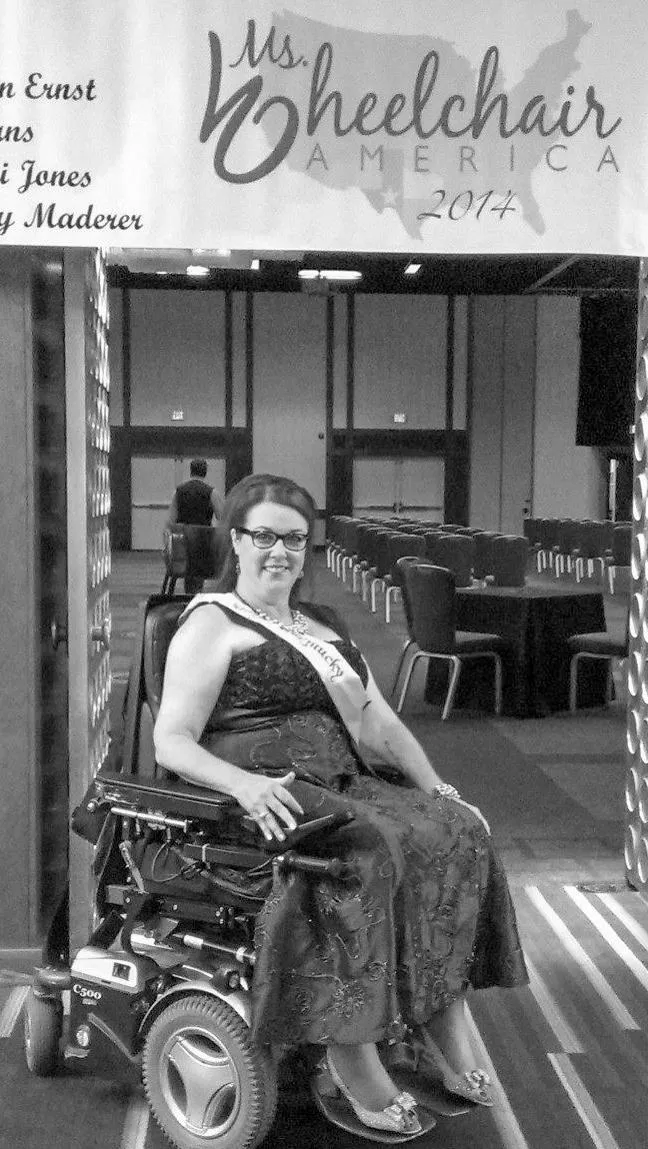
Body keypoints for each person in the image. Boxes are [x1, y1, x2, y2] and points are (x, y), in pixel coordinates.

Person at [153, 473, 528, 1137]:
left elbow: (378, 721)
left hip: (342, 776)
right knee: (371, 846)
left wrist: (438, 786)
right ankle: (348, 1045)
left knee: (455, 831)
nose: (280, 550)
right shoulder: (210, 623)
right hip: (265, 786)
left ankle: (441, 1008)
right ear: (236, 540)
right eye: (263, 534)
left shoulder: (321, 624)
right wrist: (242, 785)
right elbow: (173, 741)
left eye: (293, 538)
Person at [165, 458, 224, 594]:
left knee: (187, 573)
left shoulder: (178, 491)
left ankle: (189, 595)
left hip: (184, 540)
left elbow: (171, 520)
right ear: (205, 472)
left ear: (190, 471)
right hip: (203, 540)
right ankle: (196, 595)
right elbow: (221, 517)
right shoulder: (211, 492)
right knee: (199, 574)